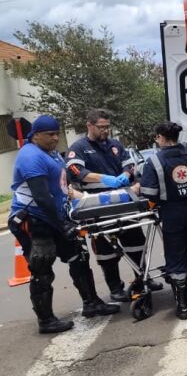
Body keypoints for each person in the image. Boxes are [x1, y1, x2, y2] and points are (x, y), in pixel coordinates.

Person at [9, 115, 119, 334]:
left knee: (79, 258)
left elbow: (62, 188)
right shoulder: (30, 156)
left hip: (56, 217)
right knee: (42, 268)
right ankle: (46, 320)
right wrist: (62, 224)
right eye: (50, 134)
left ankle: (92, 303)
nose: (55, 138)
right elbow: (41, 197)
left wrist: (85, 199)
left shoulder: (52, 154)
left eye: (57, 133)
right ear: (36, 135)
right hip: (35, 219)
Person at [66, 109, 162, 301]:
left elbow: (130, 165)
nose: (105, 131)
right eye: (101, 127)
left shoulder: (115, 145)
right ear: (89, 125)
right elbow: (76, 170)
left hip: (123, 201)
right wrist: (105, 179)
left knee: (136, 243)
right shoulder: (79, 147)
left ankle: (143, 279)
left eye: (107, 127)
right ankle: (115, 287)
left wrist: (125, 176)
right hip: (97, 205)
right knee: (106, 251)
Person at [139, 121, 187, 319]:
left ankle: (183, 307)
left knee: (176, 257)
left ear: (161, 138)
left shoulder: (154, 162)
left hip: (172, 214)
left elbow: (150, 194)